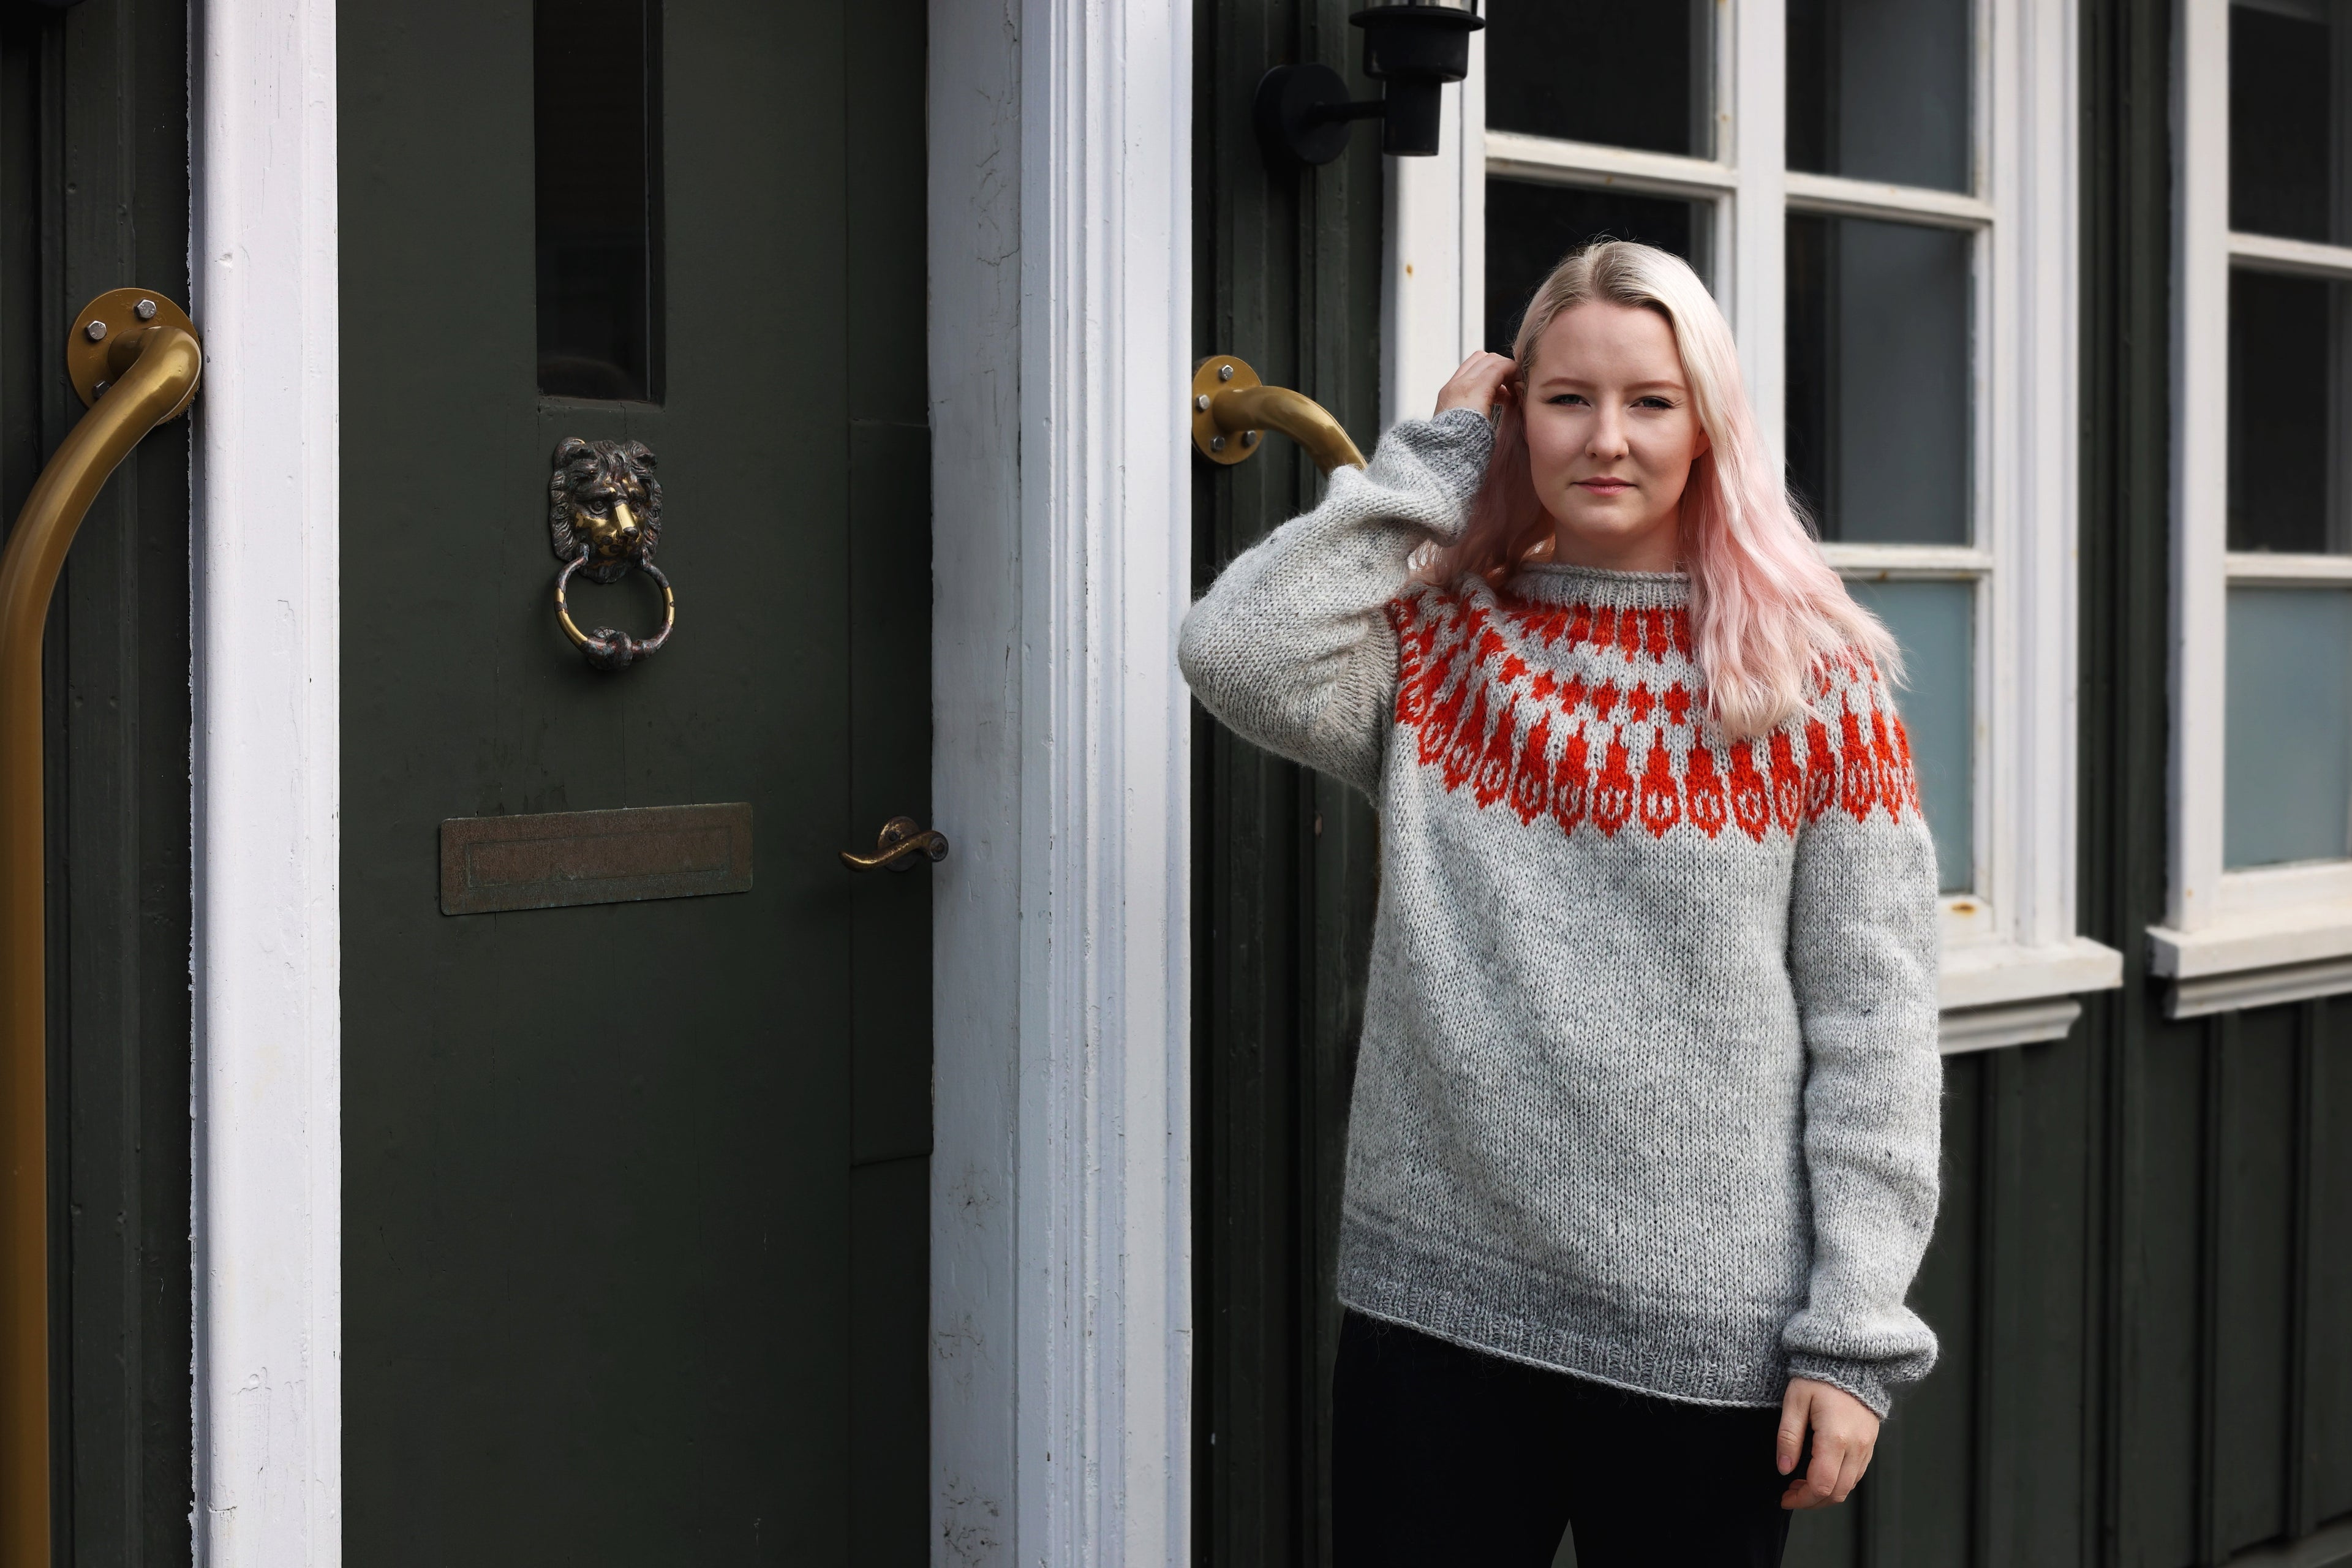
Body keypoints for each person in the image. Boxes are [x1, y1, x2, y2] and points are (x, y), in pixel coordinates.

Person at [1177, 240, 1943, 1567]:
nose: (1607, 438)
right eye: (1566, 399)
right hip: (1435, 1309)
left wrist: (1855, 1330)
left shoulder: (1812, 679)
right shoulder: (1443, 644)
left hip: (1705, 1337)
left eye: (1651, 401)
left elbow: (1876, 1023)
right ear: (1514, 415)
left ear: (1708, 423)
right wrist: (1432, 464)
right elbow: (1236, 648)